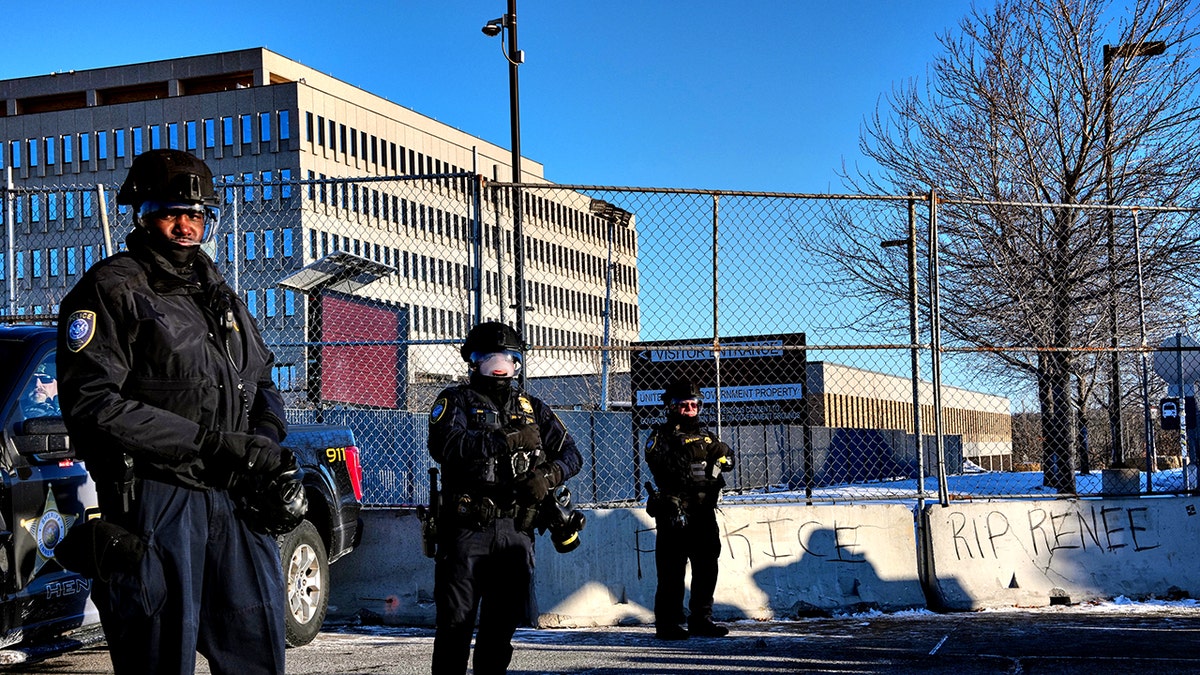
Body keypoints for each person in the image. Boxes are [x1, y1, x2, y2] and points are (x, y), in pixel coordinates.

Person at [56, 149, 290, 675]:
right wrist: (208, 443)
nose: (185, 226)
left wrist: (267, 440)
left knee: (257, 649)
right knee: (159, 655)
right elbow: (95, 403)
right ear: (141, 213)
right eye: (171, 212)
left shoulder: (218, 291)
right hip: (157, 498)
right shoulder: (112, 289)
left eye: (197, 214)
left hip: (234, 494)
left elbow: (262, 375)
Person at [427, 321, 583, 675]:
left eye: (507, 359)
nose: (499, 367)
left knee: (499, 633)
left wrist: (548, 475)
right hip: (468, 531)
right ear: (473, 362)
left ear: (517, 364)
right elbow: (446, 446)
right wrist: (507, 441)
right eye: (489, 359)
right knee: (455, 627)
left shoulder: (533, 407)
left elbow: (572, 454)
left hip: (516, 531)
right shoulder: (455, 400)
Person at [644, 377, 733, 640]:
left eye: (694, 405)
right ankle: (668, 623)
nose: (690, 410)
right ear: (671, 407)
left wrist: (721, 458)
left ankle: (701, 620)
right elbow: (666, 464)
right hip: (674, 513)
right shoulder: (660, 435)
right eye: (684, 405)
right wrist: (699, 451)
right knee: (671, 572)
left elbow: (726, 455)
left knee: (707, 568)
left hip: (703, 512)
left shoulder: (707, 435)